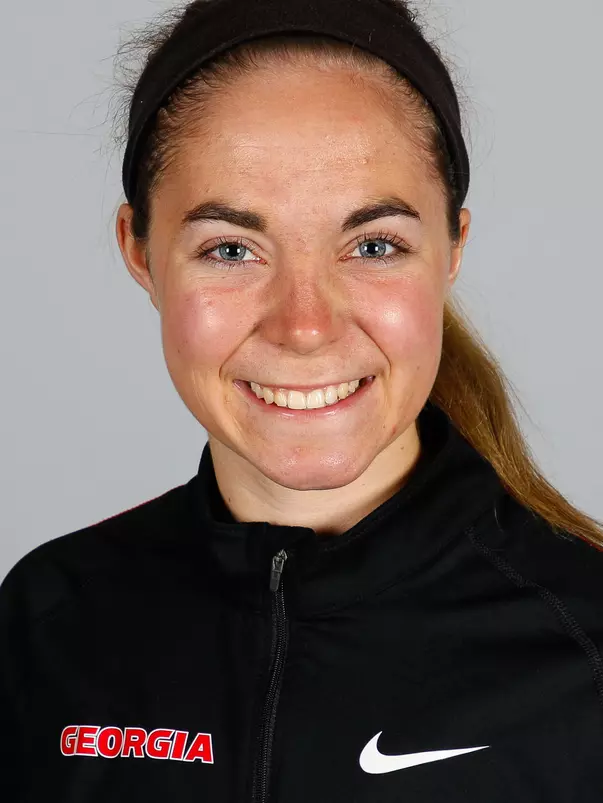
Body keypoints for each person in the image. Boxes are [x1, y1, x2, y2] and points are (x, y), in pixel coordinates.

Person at [1, 0, 602, 800]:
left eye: (373, 244)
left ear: (452, 247)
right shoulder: (50, 620)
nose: (305, 326)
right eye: (231, 249)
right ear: (139, 253)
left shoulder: (585, 650)